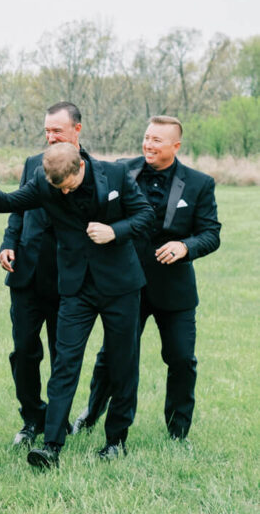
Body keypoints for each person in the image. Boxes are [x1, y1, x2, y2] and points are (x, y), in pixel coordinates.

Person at [0, 142, 154, 469]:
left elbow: (145, 215)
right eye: (59, 189)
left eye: (69, 186)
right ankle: (51, 445)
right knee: (65, 361)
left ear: (80, 167)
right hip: (75, 286)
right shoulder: (43, 180)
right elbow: (10, 202)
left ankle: (115, 441)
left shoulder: (115, 174)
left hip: (120, 285)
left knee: (123, 362)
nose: (65, 193)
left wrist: (114, 231)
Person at [72, 116, 221, 441]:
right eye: (147, 137)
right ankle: (91, 414)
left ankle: (178, 430)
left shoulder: (199, 182)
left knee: (182, 358)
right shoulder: (122, 169)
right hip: (124, 285)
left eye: (157, 140)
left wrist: (186, 246)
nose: (149, 144)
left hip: (174, 290)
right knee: (111, 356)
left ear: (176, 146)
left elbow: (211, 234)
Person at [0, 102, 84, 447]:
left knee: (62, 355)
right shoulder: (34, 164)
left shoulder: (92, 169)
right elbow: (18, 208)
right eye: (47, 131)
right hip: (27, 274)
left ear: (76, 130)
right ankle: (32, 417)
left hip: (69, 279)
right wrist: (8, 243)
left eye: (57, 131)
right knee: (24, 352)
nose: (50, 137)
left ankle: (58, 421)